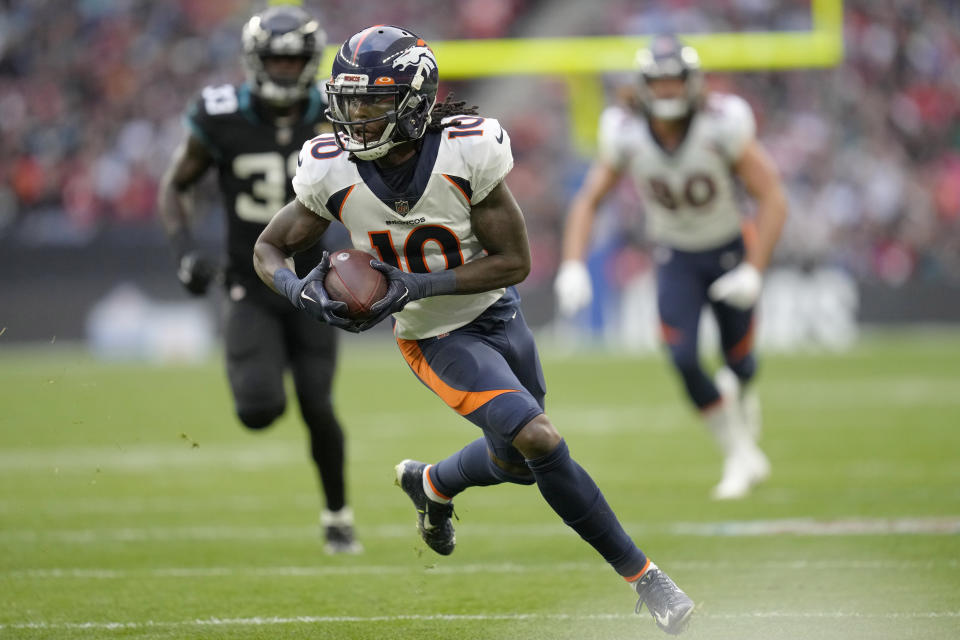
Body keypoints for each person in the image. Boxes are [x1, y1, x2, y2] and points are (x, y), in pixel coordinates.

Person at [253, 25, 694, 635]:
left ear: (414, 101)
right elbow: (269, 249)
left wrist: (418, 283)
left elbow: (516, 262)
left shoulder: (468, 151)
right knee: (539, 437)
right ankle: (644, 577)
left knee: (515, 460)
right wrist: (300, 291)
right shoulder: (330, 169)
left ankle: (432, 483)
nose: (356, 116)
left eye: (374, 100)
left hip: (497, 314)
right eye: (349, 100)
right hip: (432, 338)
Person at [158, 5, 360, 554]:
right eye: (277, 59)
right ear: (255, 61)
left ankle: (338, 516)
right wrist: (184, 252)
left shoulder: (337, 111)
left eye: (297, 60)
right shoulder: (220, 114)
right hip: (251, 280)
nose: (288, 70)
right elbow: (176, 185)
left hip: (316, 279)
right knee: (258, 410)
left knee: (318, 403)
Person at [554, 35, 788, 500]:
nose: (665, 92)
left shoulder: (721, 123)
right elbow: (589, 200)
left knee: (739, 362)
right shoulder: (625, 130)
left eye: (674, 81)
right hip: (676, 254)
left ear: (692, 83)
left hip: (728, 249)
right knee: (682, 357)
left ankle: (741, 400)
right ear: (643, 86)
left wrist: (755, 270)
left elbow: (773, 196)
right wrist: (573, 264)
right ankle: (738, 454)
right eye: (657, 83)